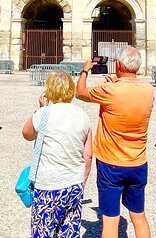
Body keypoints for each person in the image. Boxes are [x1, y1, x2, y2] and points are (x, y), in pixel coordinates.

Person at [76, 46, 154, 238]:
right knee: (139, 217)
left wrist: (85, 70)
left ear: (118, 64)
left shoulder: (109, 90)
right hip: (137, 162)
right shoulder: (148, 90)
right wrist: (118, 83)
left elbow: (80, 93)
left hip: (111, 164)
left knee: (110, 221)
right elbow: (127, 94)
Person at [22, 71, 92, 237]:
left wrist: (40, 109)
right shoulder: (82, 115)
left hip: (48, 185)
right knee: (68, 232)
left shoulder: (44, 113)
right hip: (73, 184)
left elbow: (27, 134)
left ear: (49, 91)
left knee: (43, 231)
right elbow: (88, 155)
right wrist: (82, 182)